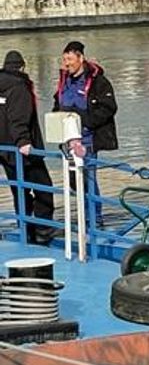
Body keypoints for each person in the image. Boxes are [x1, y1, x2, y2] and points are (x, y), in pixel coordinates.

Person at [53, 40, 117, 228]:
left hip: (87, 140)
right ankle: (83, 214)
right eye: (64, 59)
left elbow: (109, 107)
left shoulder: (98, 81)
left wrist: (86, 122)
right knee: (73, 181)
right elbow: (58, 103)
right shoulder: (64, 80)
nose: (66, 64)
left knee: (88, 179)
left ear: (81, 58)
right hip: (67, 141)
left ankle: (94, 219)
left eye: (70, 59)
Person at [0, 51, 55, 244]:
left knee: (19, 190)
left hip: (5, 150)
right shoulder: (20, 86)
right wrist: (23, 141)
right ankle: (43, 229)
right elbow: (19, 117)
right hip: (23, 150)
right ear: (22, 67)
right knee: (44, 188)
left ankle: (26, 227)